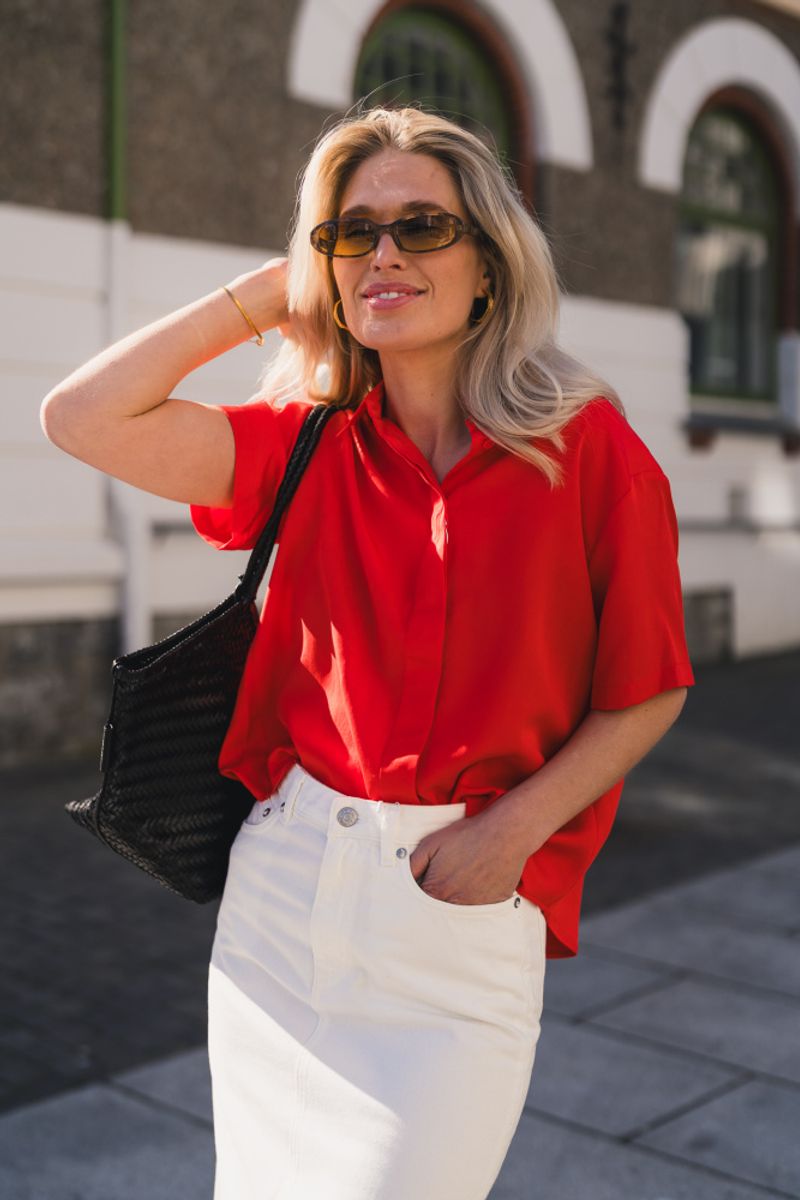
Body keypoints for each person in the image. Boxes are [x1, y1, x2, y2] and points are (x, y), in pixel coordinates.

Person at [41, 105, 695, 1200]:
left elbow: (647, 689)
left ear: (489, 265)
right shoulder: (305, 443)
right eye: (352, 234)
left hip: (459, 903)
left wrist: (507, 837)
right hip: (282, 897)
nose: (384, 254)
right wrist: (274, 291)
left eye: (422, 226)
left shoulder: (588, 452)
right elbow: (82, 416)